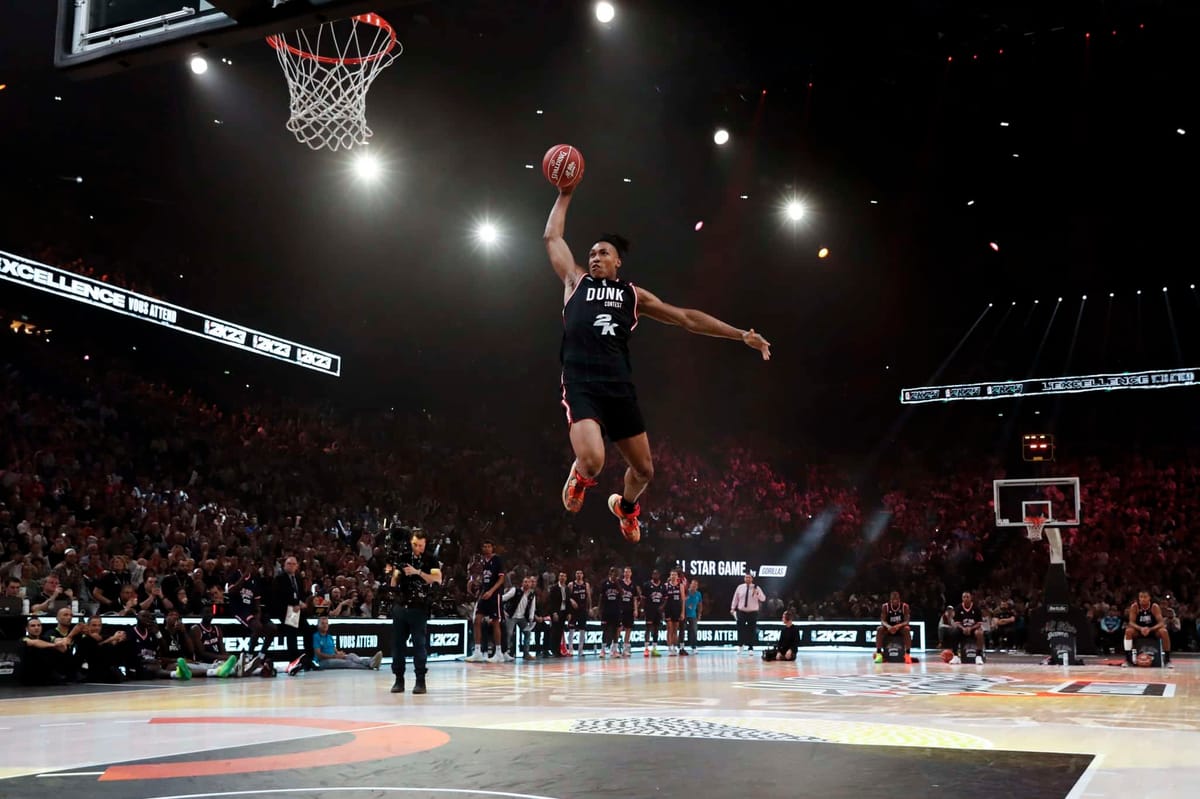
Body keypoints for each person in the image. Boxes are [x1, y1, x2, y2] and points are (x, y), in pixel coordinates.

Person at [544, 187, 772, 543]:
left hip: (618, 387)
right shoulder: (576, 283)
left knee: (645, 470)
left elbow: (686, 318)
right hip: (582, 382)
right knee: (593, 462)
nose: (595, 257)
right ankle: (580, 476)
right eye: (591, 253)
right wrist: (565, 193)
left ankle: (626, 507)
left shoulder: (633, 295)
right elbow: (552, 236)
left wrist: (741, 334)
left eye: (603, 253)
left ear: (618, 262)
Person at [389, 528, 441, 693]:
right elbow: (393, 582)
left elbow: (437, 579)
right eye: (416, 545)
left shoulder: (430, 559)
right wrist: (395, 573)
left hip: (419, 607)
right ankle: (399, 679)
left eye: (422, 545)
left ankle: (420, 681)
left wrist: (417, 572)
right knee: (398, 645)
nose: (419, 548)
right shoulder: (402, 557)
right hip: (401, 606)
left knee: (419, 644)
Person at [465, 540, 509, 663]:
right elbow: (482, 578)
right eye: (484, 546)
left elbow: (501, 579)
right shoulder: (482, 562)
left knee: (495, 622)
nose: (486, 548)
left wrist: (491, 591)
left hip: (495, 594)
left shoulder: (497, 560)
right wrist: (474, 583)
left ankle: (499, 652)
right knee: (477, 620)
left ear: (492, 548)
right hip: (484, 593)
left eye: (489, 546)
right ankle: (478, 651)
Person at [271, 556, 313, 676]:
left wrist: (301, 603)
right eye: (288, 564)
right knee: (292, 634)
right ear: (284, 565)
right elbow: (279, 597)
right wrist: (293, 605)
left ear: (297, 566)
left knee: (308, 631)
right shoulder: (280, 578)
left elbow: (299, 595)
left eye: (293, 564)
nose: (291, 566)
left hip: (296, 611)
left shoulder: (298, 578)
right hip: (285, 611)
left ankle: (308, 659)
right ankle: (293, 661)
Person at [312, 616, 382, 672]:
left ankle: (371, 661)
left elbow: (334, 649)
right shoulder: (316, 636)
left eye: (326, 623)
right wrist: (335, 656)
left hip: (334, 657)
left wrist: (339, 653)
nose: (325, 625)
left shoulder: (329, 636)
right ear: (318, 625)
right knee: (347, 663)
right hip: (323, 662)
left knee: (351, 655)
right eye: (322, 623)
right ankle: (370, 665)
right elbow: (319, 655)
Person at [1125, 590, 1171, 667]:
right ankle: (1128, 660)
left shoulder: (1154, 607)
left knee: (1164, 631)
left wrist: (1150, 629)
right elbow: (1131, 622)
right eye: (1141, 597)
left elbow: (1161, 623)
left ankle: (1167, 660)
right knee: (1128, 631)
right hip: (1139, 631)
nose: (1143, 599)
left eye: (1145, 597)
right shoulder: (1135, 607)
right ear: (1139, 598)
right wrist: (1141, 629)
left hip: (1153, 631)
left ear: (1149, 598)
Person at [730, 571, 765, 654]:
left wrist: (757, 593)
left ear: (752, 579)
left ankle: (750, 648)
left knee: (751, 630)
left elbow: (763, 599)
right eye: (746, 577)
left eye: (749, 577)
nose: (747, 579)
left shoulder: (756, 588)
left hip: (752, 612)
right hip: (741, 611)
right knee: (740, 629)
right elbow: (735, 598)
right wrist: (732, 608)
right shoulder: (740, 587)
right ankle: (740, 646)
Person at [874, 590, 913, 664]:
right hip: (889, 628)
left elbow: (907, 621)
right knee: (879, 629)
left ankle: (907, 654)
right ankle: (879, 654)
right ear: (890, 600)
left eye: (896, 599)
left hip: (899, 628)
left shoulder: (905, 606)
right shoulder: (885, 606)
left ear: (899, 599)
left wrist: (897, 626)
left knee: (907, 629)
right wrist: (889, 627)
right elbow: (882, 620)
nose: (895, 601)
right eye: (893, 599)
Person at [953, 591, 986, 664]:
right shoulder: (958, 608)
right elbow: (957, 623)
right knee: (954, 632)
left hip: (973, 629)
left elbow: (979, 623)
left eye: (967, 597)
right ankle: (955, 656)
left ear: (971, 598)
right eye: (964, 597)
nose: (966, 599)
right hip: (962, 629)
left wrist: (971, 628)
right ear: (962, 598)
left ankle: (978, 656)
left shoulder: (976, 608)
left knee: (979, 633)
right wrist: (963, 628)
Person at [641, 569, 666, 657]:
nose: (655, 575)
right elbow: (643, 599)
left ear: (659, 575)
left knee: (656, 630)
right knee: (648, 628)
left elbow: (665, 599)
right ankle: (646, 648)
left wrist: (662, 607)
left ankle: (654, 648)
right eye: (654, 574)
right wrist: (643, 609)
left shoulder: (663, 586)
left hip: (658, 611)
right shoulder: (647, 585)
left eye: (657, 574)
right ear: (652, 575)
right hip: (649, 609)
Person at [567, 569, 591, 657]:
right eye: (577, 573)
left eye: (580, 573)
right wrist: (571, 601)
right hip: (573, 610)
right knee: (571, 629)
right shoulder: (571, 584)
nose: (579, 575)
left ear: (583, 575)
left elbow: (589, 597)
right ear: (575, 575)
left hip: (583, 610)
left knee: (582, 630)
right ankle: (570, 649)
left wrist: (590, 608)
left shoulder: (586, 585)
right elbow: (567, 597)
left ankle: (580, 650)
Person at [598, 567, 621, 658]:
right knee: (605, 630)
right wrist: (599, 609)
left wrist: (617, 584)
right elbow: (601, 597)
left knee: (615, 631)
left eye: (616, 573)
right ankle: (603, 650)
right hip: (606, 610)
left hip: (616, 610)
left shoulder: (618, 584)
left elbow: (622, 594)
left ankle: (614, 650)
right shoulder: (604, 583)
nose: (614, 574)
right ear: (610, 573)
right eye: (612, 572)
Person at [547, 571, 571, 657]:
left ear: (566, 578)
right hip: (556, 612)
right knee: (554, 632)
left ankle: (558, 651)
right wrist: (554, 612)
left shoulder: (567, 589)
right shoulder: (554, 588)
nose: (562, 577)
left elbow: (568, 602)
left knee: (560, 631)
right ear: (558, 577)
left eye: (564, 576)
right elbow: (551, 602)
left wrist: (569, 613)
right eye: (561, 576)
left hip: (564, 612)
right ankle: (553, 650)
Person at [664, 568, 686, 656]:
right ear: (670, 576)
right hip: (668, 609)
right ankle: (669, 648)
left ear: (677, 577)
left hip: (677, 609)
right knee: (669, 629)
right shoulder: (666, 585)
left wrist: (683, 612)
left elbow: (683, 600)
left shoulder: (680, 586)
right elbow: (664, 599)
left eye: (675, 575)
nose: (673, 576)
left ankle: (674, 647)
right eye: (672, 574)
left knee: (675, 630)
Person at [618, 566, 637, 657]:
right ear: (623, 573)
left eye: (628, 572)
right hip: (621, 608)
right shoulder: (619, 583)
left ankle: (625, 649)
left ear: (631, 573)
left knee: (628, 629)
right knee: (619, 628)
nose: (627, 573)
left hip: (630, 609)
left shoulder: (633, 584)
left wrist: (636, 609)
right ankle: (615, 648)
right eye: (625, 572)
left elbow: (635, 598)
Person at [683, 578, 702, 654]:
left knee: (694, 631)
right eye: (693, 584)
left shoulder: (698, 594)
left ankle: (694, 647)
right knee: (682, 631)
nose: (694, 586)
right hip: (684, 614)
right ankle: (681, 647)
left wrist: (699, 614)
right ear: (690, 585)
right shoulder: (686, 592)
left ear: (697, 586)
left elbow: (700, 604)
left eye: (696, 585)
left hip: (693, 615)